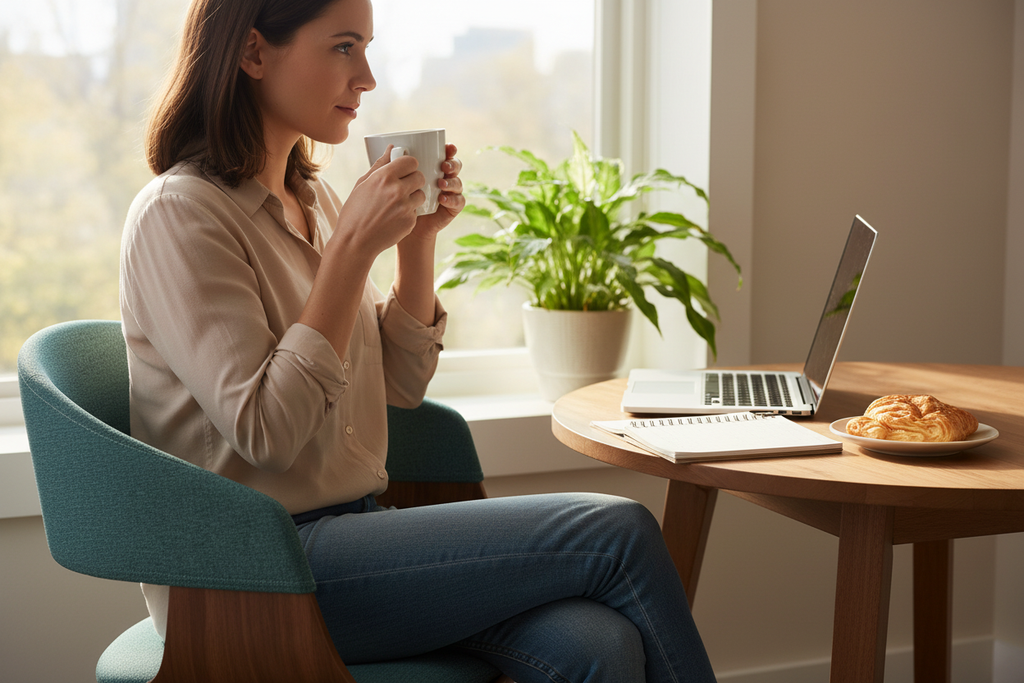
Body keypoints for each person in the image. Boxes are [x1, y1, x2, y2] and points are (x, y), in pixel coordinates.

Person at [119, 0, 717, 680]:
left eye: (366, 48)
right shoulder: (180, 214)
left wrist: (416, 243)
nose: (367, 77)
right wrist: (351, 251)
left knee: (598, 643)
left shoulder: (314, 201)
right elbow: (267, 433)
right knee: (618, 530)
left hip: (357, 533)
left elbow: (401, 387)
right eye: (344, 47)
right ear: (254, 53)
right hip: (249, 574)